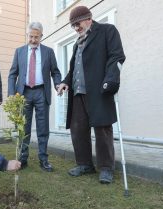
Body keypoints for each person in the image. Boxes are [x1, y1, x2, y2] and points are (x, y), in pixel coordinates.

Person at [57, 6, 126, 184]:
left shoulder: (107, 31)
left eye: (77, 24)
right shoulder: (77, 43)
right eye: (73, 26)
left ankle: (106, 168)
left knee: (102, 129)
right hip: (77, 92)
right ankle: (84, 164)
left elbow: (116, 56)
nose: (76, 28)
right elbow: (74, 69)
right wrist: (65, 81)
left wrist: (111, 79)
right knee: (78, 129)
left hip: (99, 90)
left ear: (88, 18)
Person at [8, 22, 62, 172]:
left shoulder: (49, 52)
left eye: (36, 37)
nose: (33, 40)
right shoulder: (19, 51)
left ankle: (43, 159)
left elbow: (55, 72)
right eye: (31, 36)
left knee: (43, 127)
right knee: (23, 127)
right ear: (27, 35)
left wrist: (58, 84)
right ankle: (23, 158)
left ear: (41, 36)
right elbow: (13, 74)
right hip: (23, 93)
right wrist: (12, 94)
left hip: (41, 92)